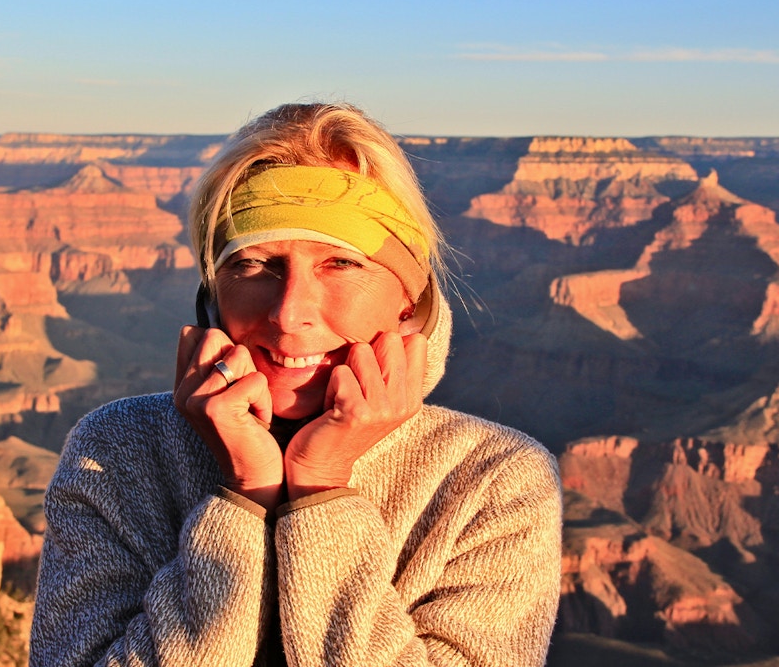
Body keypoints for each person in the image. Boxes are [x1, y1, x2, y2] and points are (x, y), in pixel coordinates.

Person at [30, 102, 562, 666]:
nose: (289, 313)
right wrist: (243, 493)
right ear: (212, 298)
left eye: (341, 264)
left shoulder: (495, 481)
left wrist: (321, 487)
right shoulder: (116, 452)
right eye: (253, 263)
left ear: (410, 299)